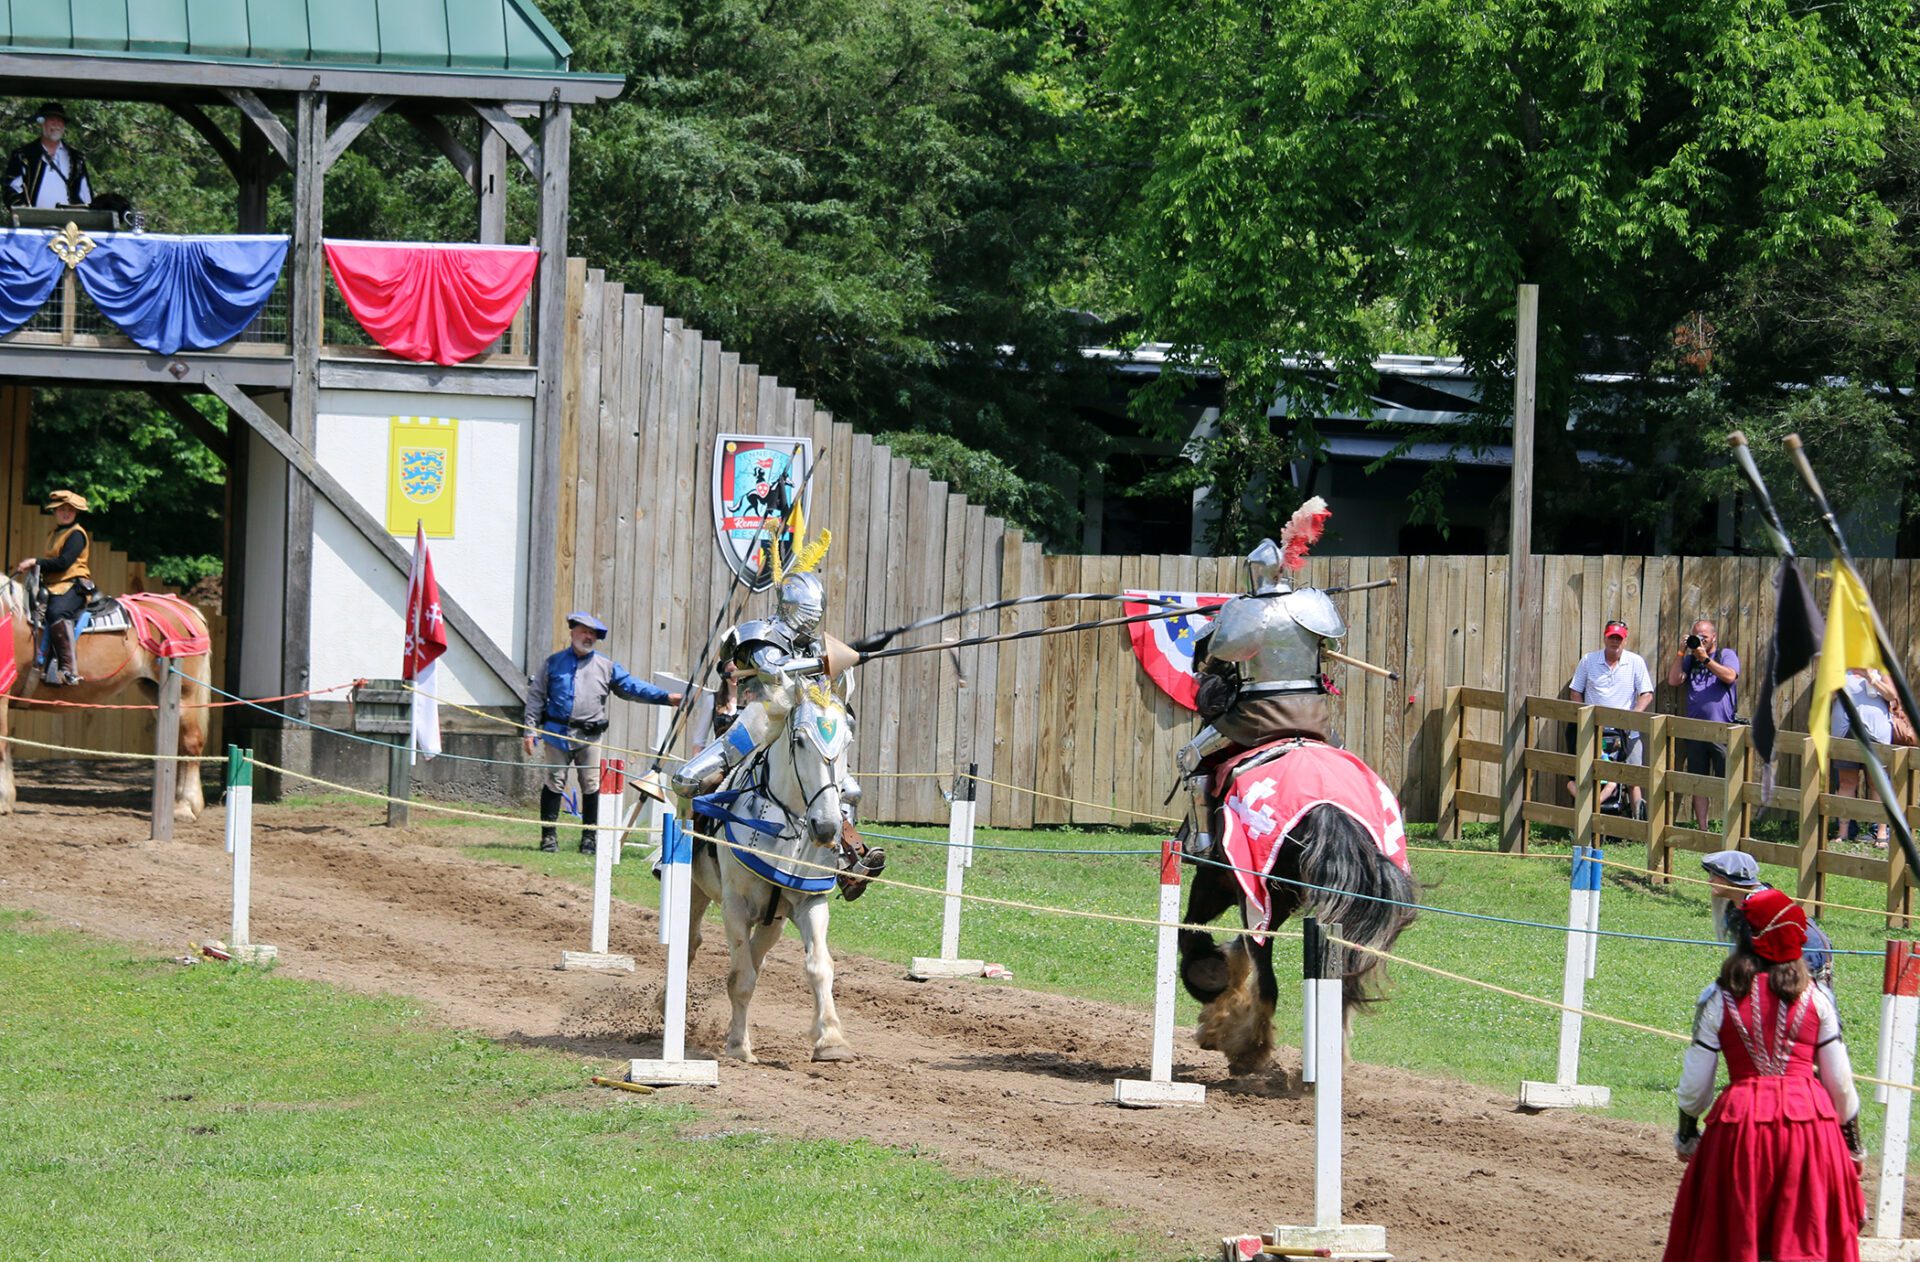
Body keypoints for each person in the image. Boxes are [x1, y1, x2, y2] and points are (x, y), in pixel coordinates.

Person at [1662, 887, 1864, 1262]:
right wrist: (1852, 1146)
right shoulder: (1817, 998)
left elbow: (1695, 1086)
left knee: (1734, 1241)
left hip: (1741, 1130)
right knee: (1806, 1240)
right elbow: (1840, 1084)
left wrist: (1687, 1135)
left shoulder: (1718, 998)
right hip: (1811, 1130)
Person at [1177, 526, 1345, 856]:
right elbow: (1333, 645)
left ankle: (1201, 843)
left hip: (1256, 717)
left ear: (1253, 574)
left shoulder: (1242, 609)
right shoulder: (1313, 603)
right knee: (1342, 759)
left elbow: (1213, 659)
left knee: (1190, 757)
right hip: (1315, 717)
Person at [523, 611, 681, 854]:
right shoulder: (553, 663)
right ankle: (548, 837)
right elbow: (536, 696)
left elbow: (632, 687)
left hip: (590, 736)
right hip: (556, 734)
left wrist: (665, 697)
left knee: (591, 784)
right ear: (572, 631)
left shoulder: (606, 666)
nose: (588, 637)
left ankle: (589, 838)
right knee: (554, 782)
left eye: (592, 634)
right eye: (584, 631)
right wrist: (530, 730)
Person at [1700, 850, 1835, 1006]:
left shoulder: (1758, 907)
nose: (1709, 880)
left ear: (1729, 879)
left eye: (1714, 875)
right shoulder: (1745, 901)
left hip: (1807, 956)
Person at [1567, 618, 1654, 819]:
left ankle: (1637, 823)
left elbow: (1647, 693)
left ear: (1625, 639)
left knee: (1633, 777)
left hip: (1627, 733)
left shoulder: (1635, 662)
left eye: (1618, 638)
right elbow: (1575, 691)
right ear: (1605, 637)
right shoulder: (1589, 660)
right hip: (1594, 732)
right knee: (1588, 776)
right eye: (1611, 637)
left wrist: (1633, 716)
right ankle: (1586, 817)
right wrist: (1584, 717)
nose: (1614, 642)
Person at [11, 488, 93, 686]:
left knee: (57, 612)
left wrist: (34, 561)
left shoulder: (76, 535)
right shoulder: (55, 533)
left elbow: (64, 563)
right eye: (62, 509)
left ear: (76, 513)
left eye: (70, 510)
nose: (66, 513)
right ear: (55, 512)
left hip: (73, 586)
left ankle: (68, 669)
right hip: (54, 585)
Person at [1831, 667, 1897, 846]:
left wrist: (1872, 678)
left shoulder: (1880, 668)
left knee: (1877, 783)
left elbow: (1892, 696)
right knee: (1846, 783)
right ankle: (1843, 832)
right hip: (1844, 729)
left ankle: (1881, 833)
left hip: (1876, 731)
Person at [4, 103, 91, 210]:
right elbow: (11, 189)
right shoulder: (23, 155)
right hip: (31, 224)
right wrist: (25, 213)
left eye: (60, 121)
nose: (56, 125)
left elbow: (85, 194)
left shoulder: (76, 159)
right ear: (41, 123)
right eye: (52, 120)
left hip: (69, 224)